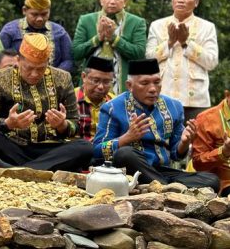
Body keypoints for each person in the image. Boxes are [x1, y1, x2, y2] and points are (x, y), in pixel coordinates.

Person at [93, 59, 219, 190]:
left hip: (160, 171)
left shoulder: (174, 107)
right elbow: (96, 151)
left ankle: (162, 186)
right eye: (145, 83)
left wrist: (184, 143)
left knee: (212, 180)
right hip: (127, 173)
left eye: (157, 82)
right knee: (125, 154)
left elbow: (177, 154)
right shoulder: (112, 108)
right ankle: (168, 188)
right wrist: (126, 138)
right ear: (129, 85)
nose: (153, 89)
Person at [0, 33, 92, 171]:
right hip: (15, 146)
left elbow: (75, 125)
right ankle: (42, 169)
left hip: (51, 149)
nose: (35, 74)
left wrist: (62, 125)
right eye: (29, 68)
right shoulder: (0, 78)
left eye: (41, 69)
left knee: (85, 147)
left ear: (48, 62)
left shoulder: (63, 78)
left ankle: (21, 170)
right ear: (18, 60)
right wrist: (7, 124)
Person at [146, 0, 218, 121]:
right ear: (172, 1)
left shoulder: (207, 27)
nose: (181, 0)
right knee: (161, 140)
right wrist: (170, 42)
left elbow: (211, 62)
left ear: (196, 2)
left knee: (195, 141)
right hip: (163, 95)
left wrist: (186, 43)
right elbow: (149, 58)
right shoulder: (157, 25)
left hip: (195, 99)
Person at [72, 0, 147, 94]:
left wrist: (114, 38)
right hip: (90, 89)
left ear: (125, 1)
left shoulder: (136, 22)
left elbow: (139, 54)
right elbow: (76, 53)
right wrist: (98, 38)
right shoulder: (86, 20)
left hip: (123, 89)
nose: (112, 1)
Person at [0, 0, 74, 72]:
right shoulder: (9, 31)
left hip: (53, 82)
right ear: (24, 10)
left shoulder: (59, 32)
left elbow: (68, 60)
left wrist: (54, 75)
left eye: (44, 14)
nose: (40, 19)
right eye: (34, 14)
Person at [192, 91, 230, 196]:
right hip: (225, 184)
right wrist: (224, 151)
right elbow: (198, 163)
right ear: (227, 94)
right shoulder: (206, 119)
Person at [76, 56, 116, 142]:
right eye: (95, 80)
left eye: (106, 82)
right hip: (77, 149)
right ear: (83, 77)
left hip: (105, 148)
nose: (101, 87)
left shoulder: (115, 103)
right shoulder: (71, 98)